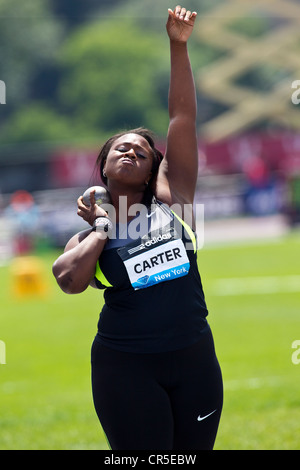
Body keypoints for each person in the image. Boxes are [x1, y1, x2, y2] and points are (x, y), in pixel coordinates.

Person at [52, 6, 223, 450]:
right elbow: (69, 281)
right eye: (120, 148)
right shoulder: (90, 232)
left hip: (194, 359)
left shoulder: (175, 201)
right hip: (125, 365)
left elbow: (182, 118)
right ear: (104, 167)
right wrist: (104, 229)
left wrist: (178, 45)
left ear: (152, 171)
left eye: (142, 151)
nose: (130, 152)